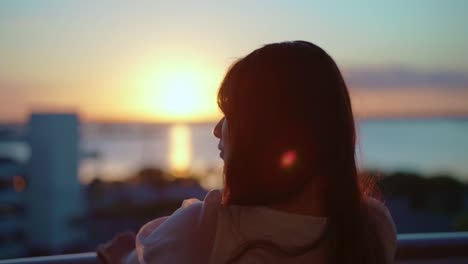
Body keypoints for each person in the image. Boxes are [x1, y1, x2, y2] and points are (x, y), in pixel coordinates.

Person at [97, 41, 397, 264]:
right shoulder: (372, 227)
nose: (217, 130)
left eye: (230, 115)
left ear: (263, 132)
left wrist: (122, 257)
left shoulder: (205, 231)